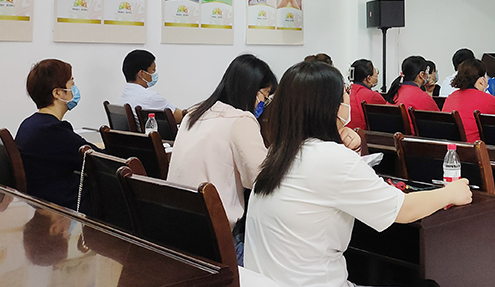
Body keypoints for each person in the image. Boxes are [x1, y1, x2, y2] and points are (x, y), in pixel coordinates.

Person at [244, 61, 472, 287]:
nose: (347, 99)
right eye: (344, 93)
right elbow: (403, 210)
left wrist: (346, 149)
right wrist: (450, 193)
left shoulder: (278, 153)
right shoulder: (331, 158)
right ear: (330, 106)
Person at [167, 54, 277, 265]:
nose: (264, 103)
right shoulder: (241, 120)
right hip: (219, 242)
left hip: (181, 230)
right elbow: (259, 180)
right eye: (265, 96)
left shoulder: (194, 114)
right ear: (252, 91)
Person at [15, 59, 94, 211]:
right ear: (57, 93)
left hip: (42, 202)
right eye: (72, 84)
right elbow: (98, 159)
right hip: (63, 208)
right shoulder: (52, 130)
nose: (75, 89)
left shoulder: (30, 124)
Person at [442, 59, 495, 142]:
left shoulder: (451, 97)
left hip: (451, 146)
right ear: (481, 81)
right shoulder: (487, 99)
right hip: (475, 147)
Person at [120, 49, 184, 128]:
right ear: (142, 74)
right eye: (153, 70)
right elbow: (183, 118)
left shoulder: (124, 96)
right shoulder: (150, 97)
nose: (154, 74)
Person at [347, 58, 386, 130]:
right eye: (375, 72)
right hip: (362, 134)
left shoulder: (345, 92)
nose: (377, 75)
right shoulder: (373, 96)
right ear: (368, 78)